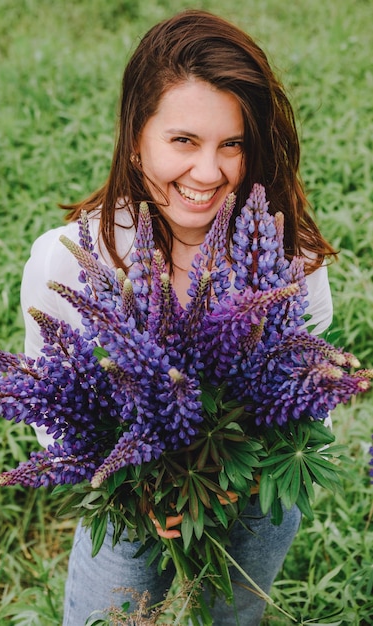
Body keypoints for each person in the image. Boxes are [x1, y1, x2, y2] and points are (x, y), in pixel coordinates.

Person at [21, 9, 336, 625]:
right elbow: (49, 400)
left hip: (252, 494)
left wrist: (239, 475)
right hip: (128, 498)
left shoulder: (283, 248)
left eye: (233, 144)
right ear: (136, 140)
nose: (208, 171)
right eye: (183, 141)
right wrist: (137, 485)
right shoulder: (70, 259)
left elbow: (308, 378)